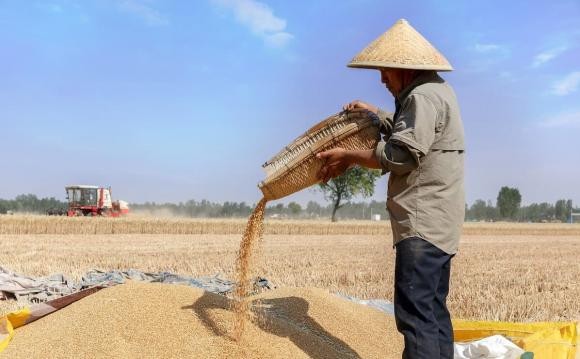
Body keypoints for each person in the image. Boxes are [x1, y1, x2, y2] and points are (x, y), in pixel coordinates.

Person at [317, 19, 465, 359]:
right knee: (433, 313)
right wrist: (375, 113)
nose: (382, 79)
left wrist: (349, 156)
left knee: (416, 319)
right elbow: (408, 131)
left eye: (385, 71)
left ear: (404, 68)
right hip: (440, 225)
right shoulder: (435, 91)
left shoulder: (422, 98)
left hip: (422, 224)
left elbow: (401, 154)